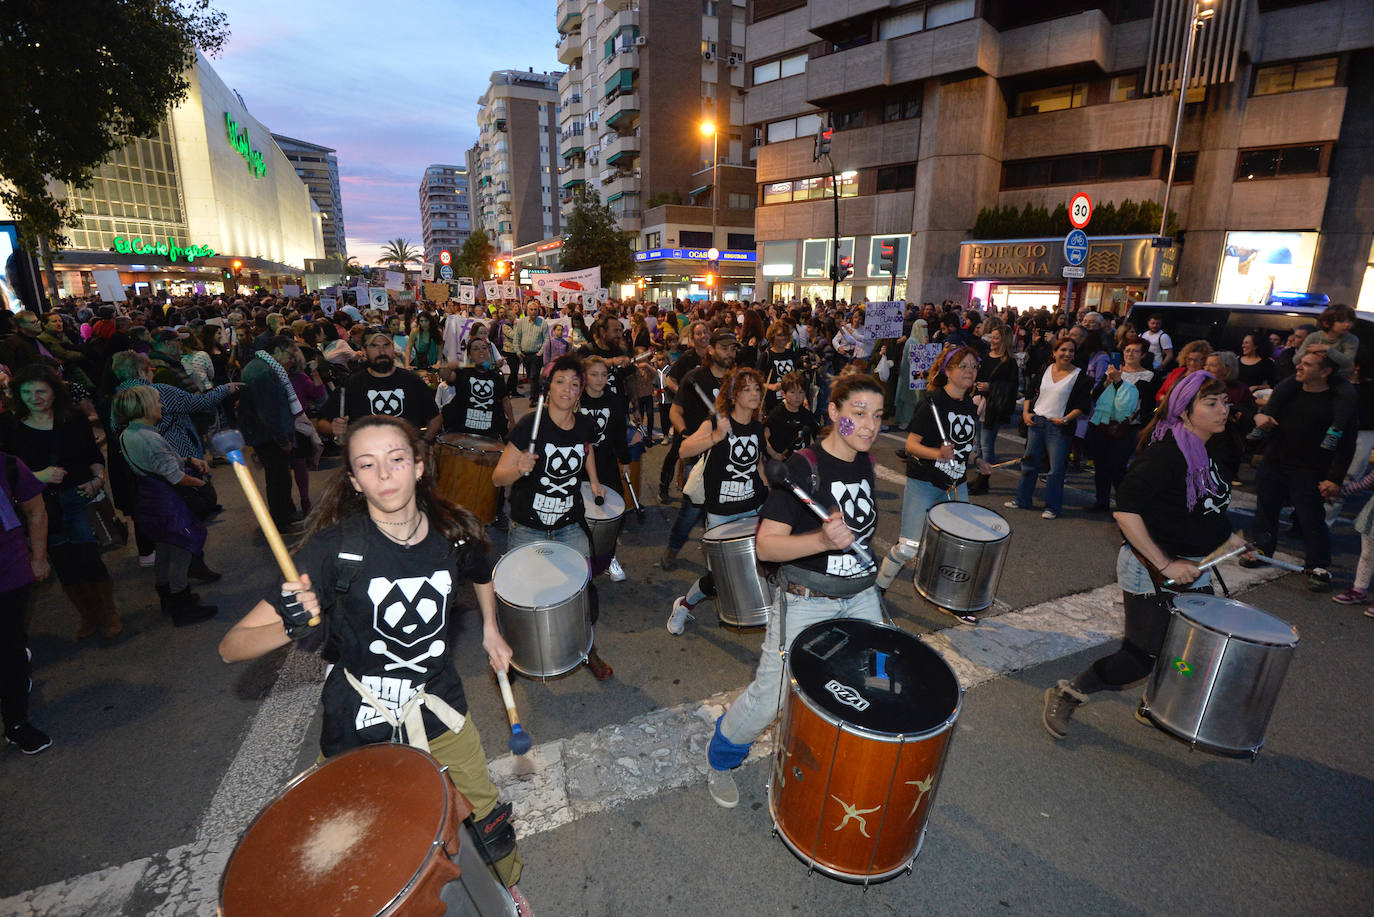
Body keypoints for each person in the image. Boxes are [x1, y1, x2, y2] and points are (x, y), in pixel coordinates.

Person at [216, 416, 533, 916]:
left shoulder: (454, 533)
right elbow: (231, 646)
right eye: (368, 465)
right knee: (345, 841)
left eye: (396, 460)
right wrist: (291, 624)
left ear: (420, 466)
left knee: (486, 817)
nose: (384, 475)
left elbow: (481, 572)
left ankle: (506, 887)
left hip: (439, 706)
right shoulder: (331, 550)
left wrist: (491, 628)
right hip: (358, 716)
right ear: (353, 479)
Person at [704, 375, 886, 808]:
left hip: (860, 597)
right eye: (858, 414)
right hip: (806, 601)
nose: (868, 425)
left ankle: (843, 763)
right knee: (772, 698)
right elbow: (766, 545)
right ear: (834, 413)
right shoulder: (804, 467)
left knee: (879, 680)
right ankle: (720, 759)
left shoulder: (865, 462)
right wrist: (821, 543)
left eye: (876, 416)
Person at [1043, 371, 1245, 738]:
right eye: (1211, 403)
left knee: (1189, 651)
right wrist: (1165, 563)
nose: (1223, 410)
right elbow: (1126, 512)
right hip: (1151, 570)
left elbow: (1205, 505)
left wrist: (1230, 538)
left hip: (1193, 568)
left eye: (1225, 402)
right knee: (1140, 657)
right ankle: (1068, 692)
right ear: (1185, 410)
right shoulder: (1165, 454)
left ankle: (1154, 705)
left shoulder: (1209, 448)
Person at [491, 354, 612, 680]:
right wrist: (519, 468)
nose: (567, 389)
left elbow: (585, 452)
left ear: (580, 391)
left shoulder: (584, 424)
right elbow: (497, 478)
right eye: (560, 381)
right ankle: (511, 655)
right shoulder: (532, 425)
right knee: (521, 596)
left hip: (569, 525)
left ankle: (588, 649)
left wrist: (595, 479)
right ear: (549, 386)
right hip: (528, 527)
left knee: (581, 594)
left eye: (575, 384)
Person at [0, 365, 122, 640]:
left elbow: (93, 455)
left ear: (55, 392)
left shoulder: (73, 419)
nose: (35, 398)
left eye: (41, 391)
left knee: (89, 559)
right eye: (27, 392)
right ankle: (88, 615)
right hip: (40, 508)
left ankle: (108, 612)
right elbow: (6, 474)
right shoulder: (10, 427)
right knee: (65, 566)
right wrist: (35, 476)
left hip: (78, 497)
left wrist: (98, 478)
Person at [876, 345, 992, 595]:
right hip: (924, 482)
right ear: (948, 371)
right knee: (909, 547)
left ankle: (948, 597)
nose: (970, 371)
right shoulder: (933, 401)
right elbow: (910, 445)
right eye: (963, 366)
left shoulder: (971, 407)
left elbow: (962, 448)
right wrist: (937, 454)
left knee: (959, 545)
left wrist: (977, 460)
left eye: (974, 366)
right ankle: (878, 588)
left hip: (956, 484)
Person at [666, 367, 769, 634]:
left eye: (757, 388)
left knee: (762, 568)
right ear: (734, 395)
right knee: (719, 578)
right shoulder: (715, 422)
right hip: (722, 513)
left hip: (753, 509)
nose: (754, 394)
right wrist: (715, 437)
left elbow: (757, 466)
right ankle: (684, 605)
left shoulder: (758, 427)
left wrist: (770, 499)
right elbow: (683, 449)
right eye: (747, 389)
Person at [1244, 351, 1356, 591]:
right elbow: (1262, 417)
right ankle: (1262, 550)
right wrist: (1260, 418)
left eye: (1307, 364)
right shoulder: (1289, 391)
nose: (1299, 367)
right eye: (1300, 362)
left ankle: (1319, 565)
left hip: (1310, 469)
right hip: (1275, 462)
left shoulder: (1337, 402)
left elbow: (1347, 444)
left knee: (1311, 517)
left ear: (1325, 372)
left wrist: (1334, 478)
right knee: (1265, 510)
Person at [114, 386, 218, 626]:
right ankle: (182, 607)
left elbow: (156, 465)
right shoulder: (150, 438)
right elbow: (175, 476)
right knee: (181, 550)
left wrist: (186, 460)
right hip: (169, 503)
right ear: (145, 408)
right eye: (158, 402)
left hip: (151, 499)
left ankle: (168, 600)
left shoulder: (128, 433)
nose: (161, 406)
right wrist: (201, 484)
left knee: (164, 550)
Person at [660, 331, 739, 569]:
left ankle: (717, 557)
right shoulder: (695, 378)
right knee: (690, 512)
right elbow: (675, 411)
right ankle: (673, 549)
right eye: (725, 348)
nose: (730, 353)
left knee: (724, 511)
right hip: (699, 457)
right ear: (711, 349)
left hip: (729, 456)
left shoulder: (736, 380)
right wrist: (685, 434)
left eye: (733, 349)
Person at [1007, 338, 1092, 520]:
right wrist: (1026, 413)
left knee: (1056, 469)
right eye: (1063, 350)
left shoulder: (1079, 376)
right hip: (1037, 422)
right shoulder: (1045, 369)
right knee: (1029, 463)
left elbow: (1083, 405)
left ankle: (1052, 507)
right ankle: (1022, 499)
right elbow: (1031, 392)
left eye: (1071, 351)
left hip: (1059, 427)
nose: (1067, 354)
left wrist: (1065, 419)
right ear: (1054, 352)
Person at [1, 450, 51, 754]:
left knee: (9, 649)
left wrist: (39, 557)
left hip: (9, 571)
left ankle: (16, 723)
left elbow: (36, 511)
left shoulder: (7, 464)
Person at [325, 328, 441, 441]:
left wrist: (424, 443)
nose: (382, 351)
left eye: (386, 345)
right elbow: (320, 422)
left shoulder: (412, 381)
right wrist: (333, 428)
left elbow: (435, 418)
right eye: (374, 346)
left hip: (405, 455)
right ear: (364, 350)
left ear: (393, 347)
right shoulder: (352, 385)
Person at [577, 356, 631, 582]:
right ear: (584, 377)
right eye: (594, 374)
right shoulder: (576, 400)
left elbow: (619, 432)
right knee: (579, 514)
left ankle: (609, 558)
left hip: (607, 463)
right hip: (578, 465)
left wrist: (625, 460)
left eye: (603, 375)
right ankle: (579, 560)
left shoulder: (615, 400)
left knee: (611, 513)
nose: (600, 379)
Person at [1088, 340, 1155, 511]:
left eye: (1135, 351)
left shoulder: (1148, 375)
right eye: (1127, 350)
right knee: (1101, 465)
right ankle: (1101, 501)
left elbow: (1129, 400)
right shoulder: (1114, 371)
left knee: (1118, 467)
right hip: (1104, 424)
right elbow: (1096, 395)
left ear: (1143, 355)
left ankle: (1125, 505)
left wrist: (1117, 382)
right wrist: (1107, 381)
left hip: (1127, 427)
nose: (1130, 354)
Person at [970, 326, 1018, 494]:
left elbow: (1013, 388)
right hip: (979, 404)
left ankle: (984, 480)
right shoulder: (985, 357)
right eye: (992, 337)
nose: (992, 340)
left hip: (994, 407)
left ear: (1004, 340)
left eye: (996, 338)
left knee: (987, 445)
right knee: (980, 445)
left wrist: (991, 387)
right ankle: (979, 477)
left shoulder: (1009, 362)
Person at [441, 339, 514, 441]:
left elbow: (505, 400)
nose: (481, 351)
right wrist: (449, 367)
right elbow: (446, 376)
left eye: (484, 348)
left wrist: (512, 421)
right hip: (464, 432)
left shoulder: (497, 376)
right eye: (476, 349)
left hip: (489, 433)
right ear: (470, 355)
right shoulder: (463, 373)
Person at [764, 372, 818, 461]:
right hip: (782, 464)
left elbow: (812, 438)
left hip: (802, 461)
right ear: (783, 393)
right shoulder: (777, 414)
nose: (797, 397)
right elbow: (763, 437)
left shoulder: (807, 415)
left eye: (801, 392)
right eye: (792, 392)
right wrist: (774, 454)